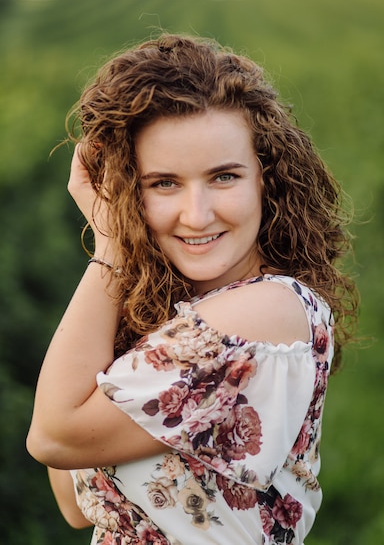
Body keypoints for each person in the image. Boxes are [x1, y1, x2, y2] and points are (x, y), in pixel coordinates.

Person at [27, 33, 358, 545]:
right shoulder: (178, 317)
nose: (197, 214)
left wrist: (111, 246)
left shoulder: (268, 311)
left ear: (265, 180)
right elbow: (74, 504)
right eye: (163, 183)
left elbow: (54, 436)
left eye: (224, 177)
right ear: (126, 192)